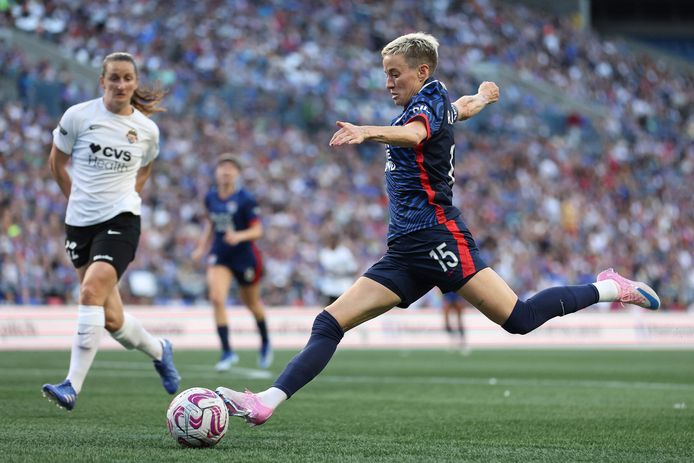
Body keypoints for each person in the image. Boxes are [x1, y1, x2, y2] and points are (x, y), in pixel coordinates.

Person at [215, 32, 660, 426]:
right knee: (329, 322)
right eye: (385, 74)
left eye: (395, 74)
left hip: (438, 237)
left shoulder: (422, 107)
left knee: (519, 319)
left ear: (421, 71)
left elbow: (414, 136)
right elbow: (458, 110)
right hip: (406, 250)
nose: (388, 82)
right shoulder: (432, 103)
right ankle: (266, 402)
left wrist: (365, 133)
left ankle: (610, 289)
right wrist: (482, 99)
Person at [42, 52, 181, 411]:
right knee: (112, 318)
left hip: (121, 222)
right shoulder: (78, 116)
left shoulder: (147, 130)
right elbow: (56, 163)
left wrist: (128, 197)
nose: (121, 85)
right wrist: (78, 201)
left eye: (127, 78)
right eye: (114, 78)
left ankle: (71, 385)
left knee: (90, 292)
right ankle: (159, 349)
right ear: (102, 81)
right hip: (79, 224)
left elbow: (146, 169)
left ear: (135, 83)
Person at [192, 154, 273, 371]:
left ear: (237, 173)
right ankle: (227, 351)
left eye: (231, 167)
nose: (226, 171)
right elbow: (210, 223)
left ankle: (265, 342)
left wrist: (238, 236)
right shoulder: (210, 197)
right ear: (216, 172)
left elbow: (258, 230)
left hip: (245, 257)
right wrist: (201, 247)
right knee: (217, 298)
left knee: (252, 304)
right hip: (221, 255)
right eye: (222, 167)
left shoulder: (246, 199)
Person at [318, 232, 359, 305]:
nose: (332, 241)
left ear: (337, 240)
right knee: (329, 308)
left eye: (334, 239)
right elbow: (322, 270)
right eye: (330, 239)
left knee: (344, 306)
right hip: (330, 286)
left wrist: (341, 273)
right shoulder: (324, 253)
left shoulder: (344, 252)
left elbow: (353, 268)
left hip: (344, 284)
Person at [441, 290, 469, 354]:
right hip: (448, 292)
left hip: (456, 292)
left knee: (459, 320)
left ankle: (463, 343)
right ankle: (452, 342)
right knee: (447, 321)